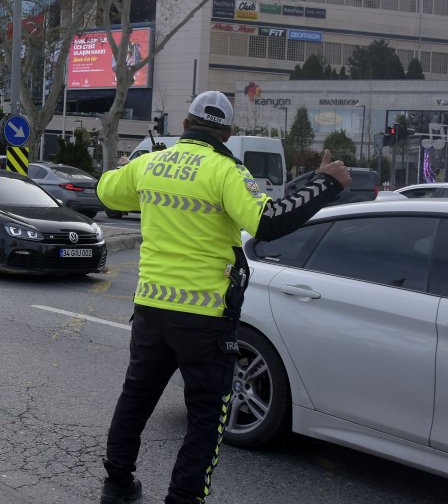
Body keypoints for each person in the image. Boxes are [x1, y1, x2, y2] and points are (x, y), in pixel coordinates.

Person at [94, 91, 351, 504]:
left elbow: (107, 192)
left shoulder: (151, 164)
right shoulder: (227, 170)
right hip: (205, 317)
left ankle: (117, 485)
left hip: (151, 310)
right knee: (206, 416)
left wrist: (128, 166)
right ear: (228, 132)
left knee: (136, 398)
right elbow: (267, 222)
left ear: (185, 123)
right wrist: (326, 184)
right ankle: (183, 498)